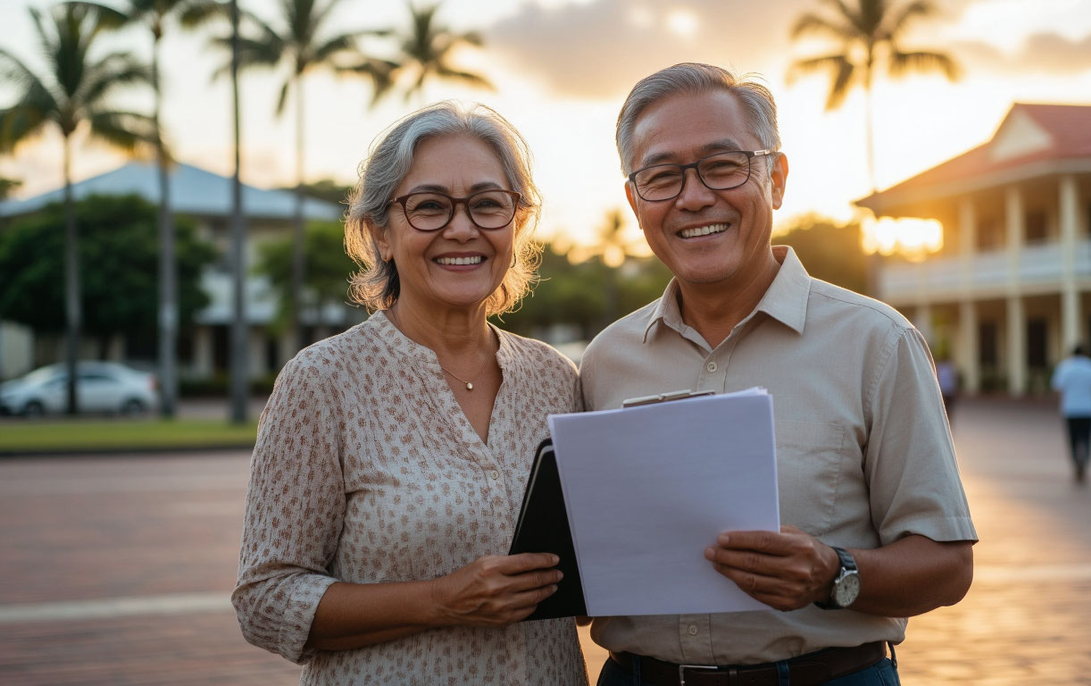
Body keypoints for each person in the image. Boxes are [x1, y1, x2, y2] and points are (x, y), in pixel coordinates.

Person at [580, 63, 977, 686]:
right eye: (661, 176)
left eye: (723, 164)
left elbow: (948, 567)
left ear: (777, 177)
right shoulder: (605, 360)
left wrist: (835, 572)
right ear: (635, 201)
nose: (693, 196)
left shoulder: (877, 342)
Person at [232, 102, 587, 685]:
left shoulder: (556, 378)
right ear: (381, 233)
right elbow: (266, 601)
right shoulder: (323, 380)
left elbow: (583, 582)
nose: (462, 228)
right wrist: (441, 599)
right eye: (428, 207)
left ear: (516, 225)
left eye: (488, 204)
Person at [1051, 344, 1091, 483]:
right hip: (1088, 409)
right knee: (1087, 439)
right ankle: (1085, 463)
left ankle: (1076, 463)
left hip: (1070, 409)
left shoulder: (1064, 367)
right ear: (1086, 353)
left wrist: (1058, 406)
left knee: (1073, 440)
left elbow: (1058, 390)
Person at [934, 352, 958, 426]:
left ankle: (947, 423)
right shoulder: (948, 367)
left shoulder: (943, 367)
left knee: (947, 409)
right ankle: (947, 423)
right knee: (946, 409)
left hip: (946, 390)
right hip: (946, 390)